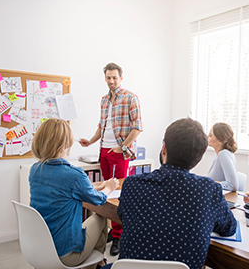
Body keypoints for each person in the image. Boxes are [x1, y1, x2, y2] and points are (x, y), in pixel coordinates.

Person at [103, 118, 237, 269]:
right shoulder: (209, 190)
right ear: (199, 157)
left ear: (164, 148)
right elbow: (229, 229)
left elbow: (123, 215)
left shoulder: (132, 184)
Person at [29, 118, 119, 269]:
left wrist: (95, 186)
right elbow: (98, 200)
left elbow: (63, 189)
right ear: (67, 144)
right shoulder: (74, 174)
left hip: (41, 247)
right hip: (65, 254)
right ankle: (97, 261)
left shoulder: (35, 169)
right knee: (101, 215)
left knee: (91, 214)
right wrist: (108, 187)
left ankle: (97, 261)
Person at [79, 62, 142, 255]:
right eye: (108, 77)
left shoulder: (131, 97)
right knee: (107, 192)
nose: (111, 81)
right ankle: (111, 230)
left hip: (120, 152)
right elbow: (102, 125)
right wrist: (90, 141)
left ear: (121, 78)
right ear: (105, 78)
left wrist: (121, 147)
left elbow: (137, 127)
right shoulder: (104, 99)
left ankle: (119, 235)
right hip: (103, 151)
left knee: (118, 195)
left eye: (115, 77)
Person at [207, 122, 239, 191]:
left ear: (220, 141)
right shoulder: (219, 154)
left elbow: (233, 186)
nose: (207, 137)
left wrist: (211, 183)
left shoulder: (223, 154)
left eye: (210, 135)